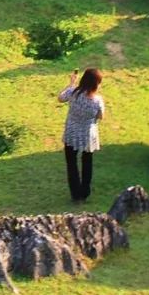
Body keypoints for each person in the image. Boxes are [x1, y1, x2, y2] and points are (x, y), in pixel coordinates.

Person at [57, 68, 105, 203]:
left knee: (71, 164)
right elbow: (101, 116)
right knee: (87, 162)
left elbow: (60, 98)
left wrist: (71, 83)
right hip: (88, 135)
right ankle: (85, 192)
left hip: (71, 133)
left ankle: (75, 194)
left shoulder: (73, 93)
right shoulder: (97, 100)